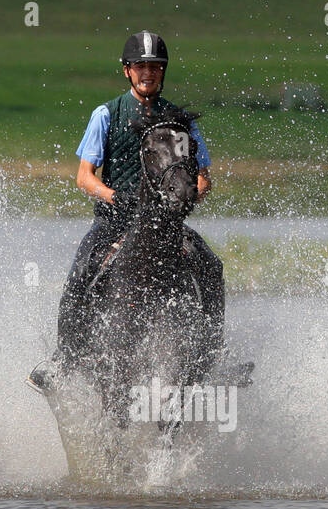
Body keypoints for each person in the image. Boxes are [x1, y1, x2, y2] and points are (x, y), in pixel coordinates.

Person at [27, 31, 222, 393]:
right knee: (82, 271)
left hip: (167, 223)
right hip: (115, 220)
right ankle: (63, 360)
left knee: (211, 266)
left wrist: (189, 196)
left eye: (156, 67)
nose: (149, 73)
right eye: (142, 67)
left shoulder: (180, 121)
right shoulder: (107, 114)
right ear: (127, 71)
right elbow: (85, 177)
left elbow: (203, 177)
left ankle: (209, 357)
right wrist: (114, 196)